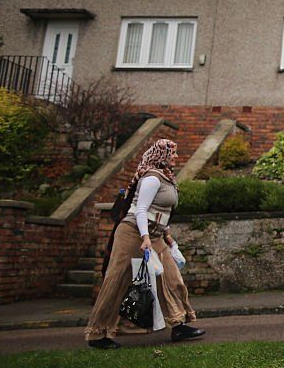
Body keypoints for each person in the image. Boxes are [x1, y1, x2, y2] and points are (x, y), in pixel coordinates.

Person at [85, 139, 205, 349]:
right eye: (173, 153)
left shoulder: (167, 178)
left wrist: (167, 236)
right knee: (117, 281)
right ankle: (97, 334)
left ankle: (178, 325)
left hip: (155, 235)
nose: (176, 157)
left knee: (171, 277)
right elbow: (141, 210)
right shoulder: (151, 178)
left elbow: (160, 213)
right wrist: (145, 238)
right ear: (162, 155)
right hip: (133, 234)